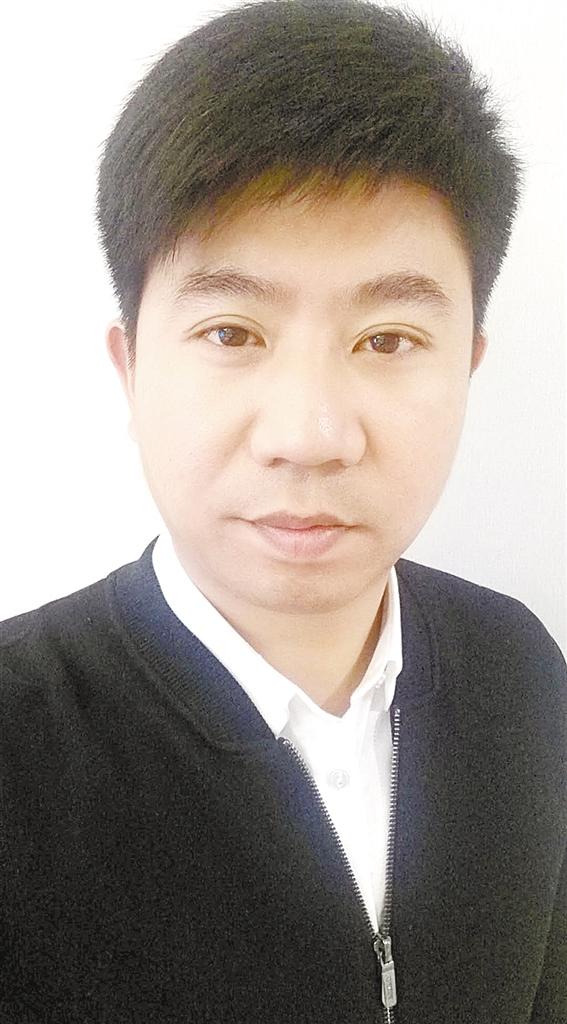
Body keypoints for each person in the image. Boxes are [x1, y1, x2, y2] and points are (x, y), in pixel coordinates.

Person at [1, 1, 565, 1021]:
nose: (309, 435)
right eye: (232, 332)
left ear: (467, 368)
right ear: (131, 367)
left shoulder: (518, 667)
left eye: (388, 340)